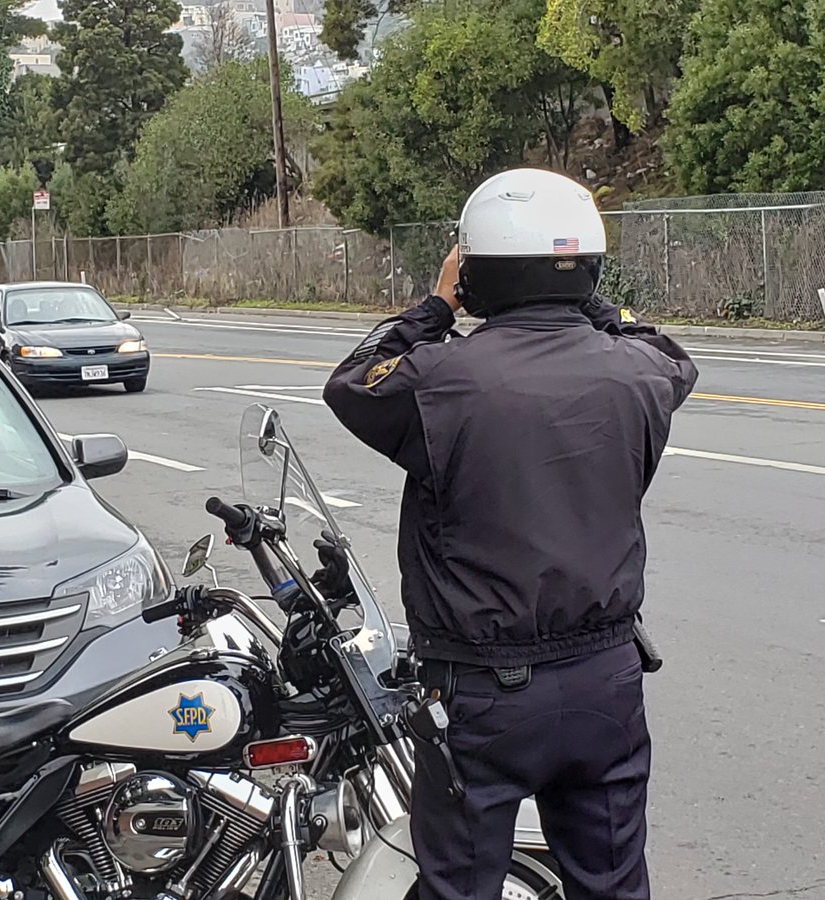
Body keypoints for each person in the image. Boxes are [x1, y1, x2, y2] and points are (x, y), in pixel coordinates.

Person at [323, 168, 699, 900]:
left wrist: (434, 306)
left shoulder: (441, 377)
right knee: (614, 882)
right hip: (606, 680)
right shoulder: (641, 373)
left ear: (475, 271)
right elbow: (661, 346)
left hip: (482, 691)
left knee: (460, 885)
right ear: (588, 268)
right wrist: (581, 295)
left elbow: (352, 381)